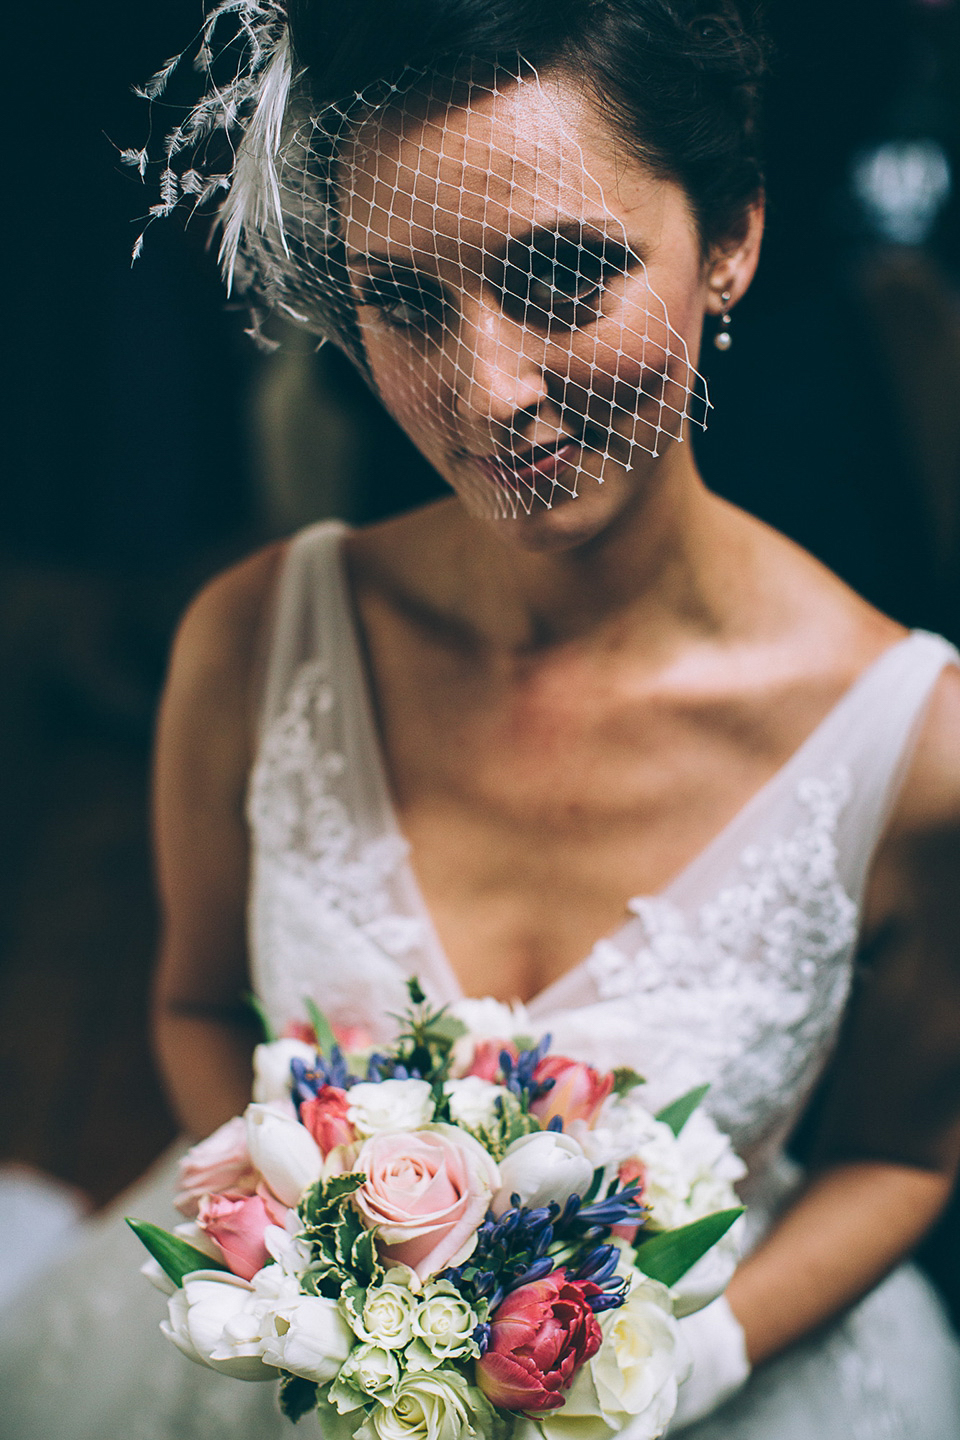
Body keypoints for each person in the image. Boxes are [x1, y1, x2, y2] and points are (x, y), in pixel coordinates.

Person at [3, 1, 960, 1436]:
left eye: (564, 275)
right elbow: (199, 1002)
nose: (487, 391)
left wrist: (693, 1359)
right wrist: (318, 1271)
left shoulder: (916, 749)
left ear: (735, 238)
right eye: (403, 301)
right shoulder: (256, 643)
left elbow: (908, 1153)